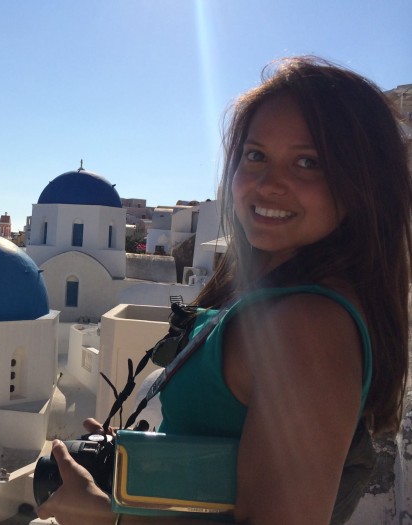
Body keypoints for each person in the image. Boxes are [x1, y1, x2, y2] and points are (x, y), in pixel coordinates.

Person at [37, 56, 412, 525]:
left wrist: (102, 517)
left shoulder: (305, 326)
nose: (269, 183)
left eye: (308, 161)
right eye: (255, 155)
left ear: (362, 183)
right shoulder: (279, 297)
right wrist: (148, 466)